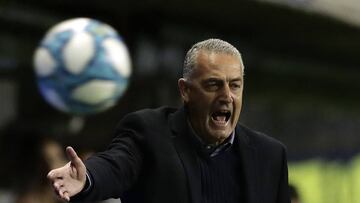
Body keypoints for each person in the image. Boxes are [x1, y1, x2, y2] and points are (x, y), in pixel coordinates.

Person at [48, 38, 290, 203]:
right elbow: (115, 165)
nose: (226, 96)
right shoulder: (149, 133)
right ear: (185, 91)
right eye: (213, 85)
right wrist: (87, 178)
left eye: (235, 85)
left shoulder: (270, 155)